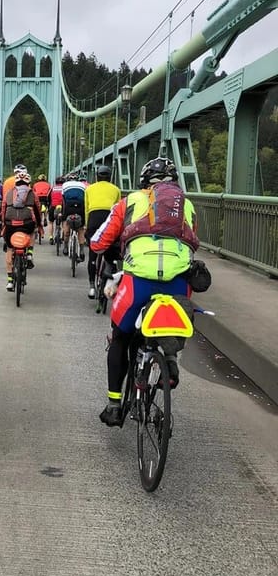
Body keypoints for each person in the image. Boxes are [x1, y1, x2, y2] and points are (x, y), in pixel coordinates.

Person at [90, 157, 200, 427]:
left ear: (143, 181)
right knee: (172, 320)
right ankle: (169, 360)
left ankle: (114, 404)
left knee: (120, 337)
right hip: (177, 282)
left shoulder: (129, 202)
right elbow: (193, 244)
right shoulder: (187, 205)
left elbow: (97, 242)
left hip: (138, 281)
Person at [0, 170, 43, 288]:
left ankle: (9, 280)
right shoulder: (32, 194)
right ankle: (29, 253)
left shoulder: (8, 193)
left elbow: (3, 211)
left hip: (10, 225)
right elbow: (37, 211)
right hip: (27, 224)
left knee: (9, 249)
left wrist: (4, 225)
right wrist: (39, 225)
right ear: (28, 183)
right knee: (32, 232)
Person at [84, 165, 121, 299]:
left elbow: (87, 209)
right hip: (109, 219)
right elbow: (118, 211)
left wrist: (87, 227)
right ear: (110, 177)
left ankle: (92, 287)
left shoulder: (89, 189)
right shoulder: (116, 189)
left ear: (97, 176)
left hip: (94, 218)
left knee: (93, 253)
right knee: (110, 250)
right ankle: (109, 269)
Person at [61, 172, 88, 257]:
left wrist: (62, 213)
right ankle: (82, 250)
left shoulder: (64, 185)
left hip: (69, 207)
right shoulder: (83, 185)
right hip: (80, 207)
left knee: (66, 223)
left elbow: (63, 199)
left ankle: (65, 247)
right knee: (80, 229)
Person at [48, 175, 65, 243]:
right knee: (64, 221)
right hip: (62, 206)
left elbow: (48, 197)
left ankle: (51, 237)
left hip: (53, 206)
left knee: (51, 222)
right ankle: (63, 237)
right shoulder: (65, 188)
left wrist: (49, 205)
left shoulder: (53, 188)